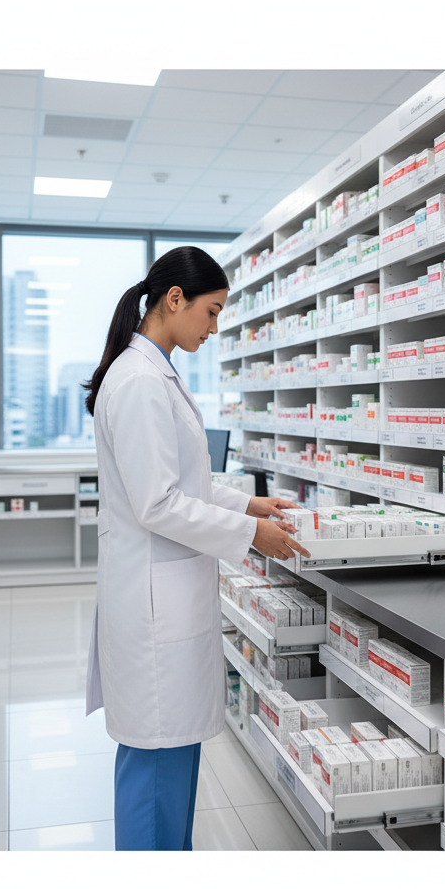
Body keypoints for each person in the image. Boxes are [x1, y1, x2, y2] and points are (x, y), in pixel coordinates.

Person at [83, 245, 311, 851]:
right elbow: (157, 503)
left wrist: (248, 504)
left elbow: (185, 481)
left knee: (173, 763)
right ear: (174, 299)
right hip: (153, 610)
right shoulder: (136, 381)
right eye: (210, 313)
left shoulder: (154, 372)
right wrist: (249, 536)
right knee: (156, 770)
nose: (214, 329)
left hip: (167, 602)